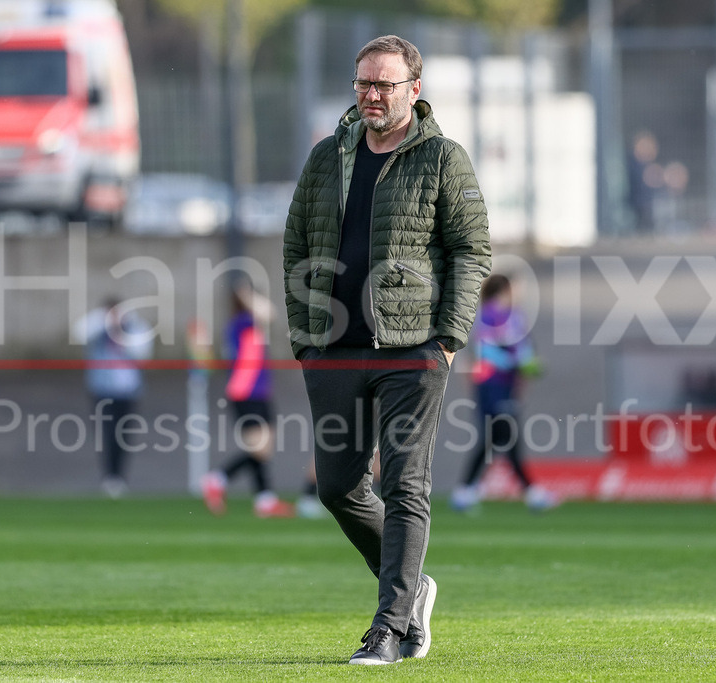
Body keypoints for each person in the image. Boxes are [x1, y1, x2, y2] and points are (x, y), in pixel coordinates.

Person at [283, 35, 491, 665]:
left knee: (405, 486)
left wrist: (449, 339)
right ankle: (412, 586)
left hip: (413, 350)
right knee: (339, 487)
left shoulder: (443, 160)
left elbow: (473, 251)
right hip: (334, 350)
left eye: (385, 84)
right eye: (363, 83)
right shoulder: (327, 157)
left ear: (414, 90)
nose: (371, 95)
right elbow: (295, 243)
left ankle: (391, 629)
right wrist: (305, 340)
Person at [450, 274, 557, 514]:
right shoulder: (496, 314)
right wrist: (519, 363)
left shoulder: (501, 314)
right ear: (506, 290)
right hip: (493, 385)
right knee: (506, 437)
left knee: (494, 437)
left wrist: (526, 365)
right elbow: (488, 351)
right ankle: (531, 492)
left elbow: (517, 349)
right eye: (516, 288)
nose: (519, 294)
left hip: (499, 385)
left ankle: (466, 491)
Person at [201, 281, 295, 518]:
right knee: (259, 448)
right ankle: (218, 479)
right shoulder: (242, 323)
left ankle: (264, 500)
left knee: (262, 449)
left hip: (259, 392)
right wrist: (246, 294)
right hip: (246, 392)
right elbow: (270, 313)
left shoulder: (247, 324)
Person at [73, 297, 153, 498]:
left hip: (128, 391)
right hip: (102, 391)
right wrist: (105, 321)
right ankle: (110, 477)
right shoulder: (98, 329)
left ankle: (119, 477)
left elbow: (142, 353)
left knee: (124, 435)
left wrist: (122, 333)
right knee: (107, 433)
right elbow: (80, 332)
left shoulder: (134, 327)